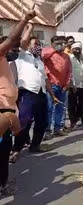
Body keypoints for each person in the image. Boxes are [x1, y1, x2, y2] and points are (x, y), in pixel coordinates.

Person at [10, 24, 61, 160]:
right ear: (28, 45)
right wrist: (30, 27)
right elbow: (23, 41)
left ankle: (35, 145)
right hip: (27, 93)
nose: (38, 46)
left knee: (42, 122)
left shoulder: (39, 61)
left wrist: (52, 95)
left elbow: (46, 79)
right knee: (24, 122)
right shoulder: (22, 55)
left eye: (39, 44)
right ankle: (16, 149)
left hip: (41, 93)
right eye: (35, 43)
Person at [0, 5, 36, 194]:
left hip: (8, 109)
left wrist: (28, 27)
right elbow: (13, 39)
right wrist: (24, 18)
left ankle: (3, 184)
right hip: (2, 112)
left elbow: (17, 42)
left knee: (4, 149)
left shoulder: (7, 57)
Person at [42, 36, 72, 140]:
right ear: (53, 43)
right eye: (59, 43)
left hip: (62, 86)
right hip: (51, 85)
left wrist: (67, 83)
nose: (62, 45)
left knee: (60, 108)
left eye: (64, 43)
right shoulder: (48, 52)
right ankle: (47, 131)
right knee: (49, 109)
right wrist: (54, 49)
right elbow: (43, 56)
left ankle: (57, 128)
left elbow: (69, 71)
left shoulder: (66, 57)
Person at [68, 42, 83, 128]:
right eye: (75, 49)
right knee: (72, 104)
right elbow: (68, 72)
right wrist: (71, 84)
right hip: (73, 85)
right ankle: (73, 121)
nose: (77, 50)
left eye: (79, 49)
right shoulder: (69, 58)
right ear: (72, 49)